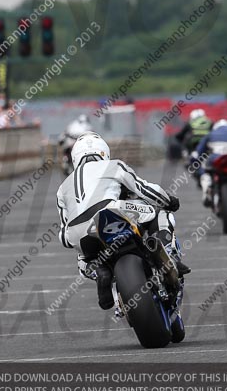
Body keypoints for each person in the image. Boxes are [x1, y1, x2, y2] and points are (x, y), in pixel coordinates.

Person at [56, 132, 187, 311]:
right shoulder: (113, 165)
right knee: (159, 211)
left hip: (79, 234)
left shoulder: (62, 188)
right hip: (110, 211)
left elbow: (64, 237)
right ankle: (169, 254)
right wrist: (168, 200)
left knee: (82, 259)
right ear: (104, 152)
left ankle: (100, 271)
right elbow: (145, 189)